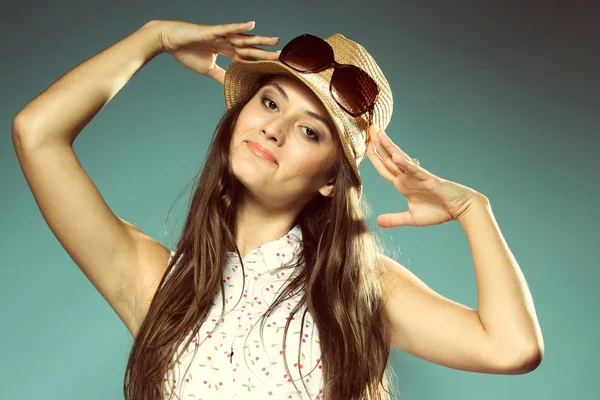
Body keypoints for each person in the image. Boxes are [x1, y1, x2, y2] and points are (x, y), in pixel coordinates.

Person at [12, 19, 544, 400]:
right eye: (270, 102)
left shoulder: (354, 285)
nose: (274, 128)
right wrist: (153, 38)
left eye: (310, 131)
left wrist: (474, 209)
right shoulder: (157, 283)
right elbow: (36, 134)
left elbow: (511, 349)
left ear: (331, 181)